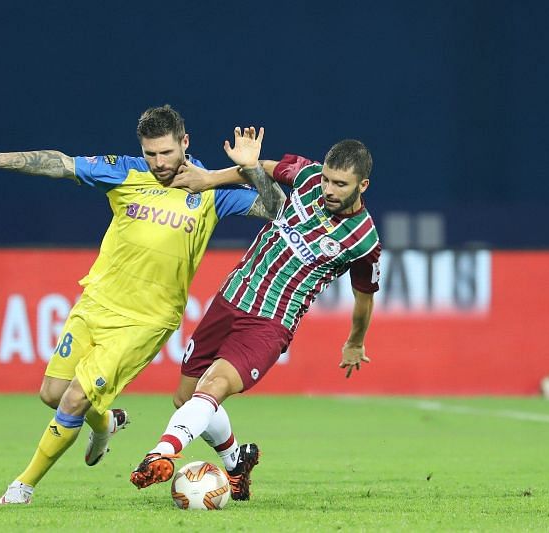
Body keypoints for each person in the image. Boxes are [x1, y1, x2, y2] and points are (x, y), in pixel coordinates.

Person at [0, 106, 285, 504]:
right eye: (150, 154)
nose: (158, 163)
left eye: (166, 153)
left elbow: (275, 207)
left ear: (185, 143)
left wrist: (252, 169)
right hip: (97, 302)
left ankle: (22, 486)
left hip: (146, 320)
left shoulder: (209, 189)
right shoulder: (126, 172)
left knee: (74, 399)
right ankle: (105, 422)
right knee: (54, 393)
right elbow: (61, 164)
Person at [130, 132, 381, 502]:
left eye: (340, 184)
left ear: (363, 185)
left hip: (270, 322)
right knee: (186, 399)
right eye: (327, 179)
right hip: (230, 299)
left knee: (212, 387)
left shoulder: (364, 241)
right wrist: (210, 178)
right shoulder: (309, 177)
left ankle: (163, 452)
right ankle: (236, 464)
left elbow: (364, 299)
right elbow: (264, 168)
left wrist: (355, 341)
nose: (328, 188)